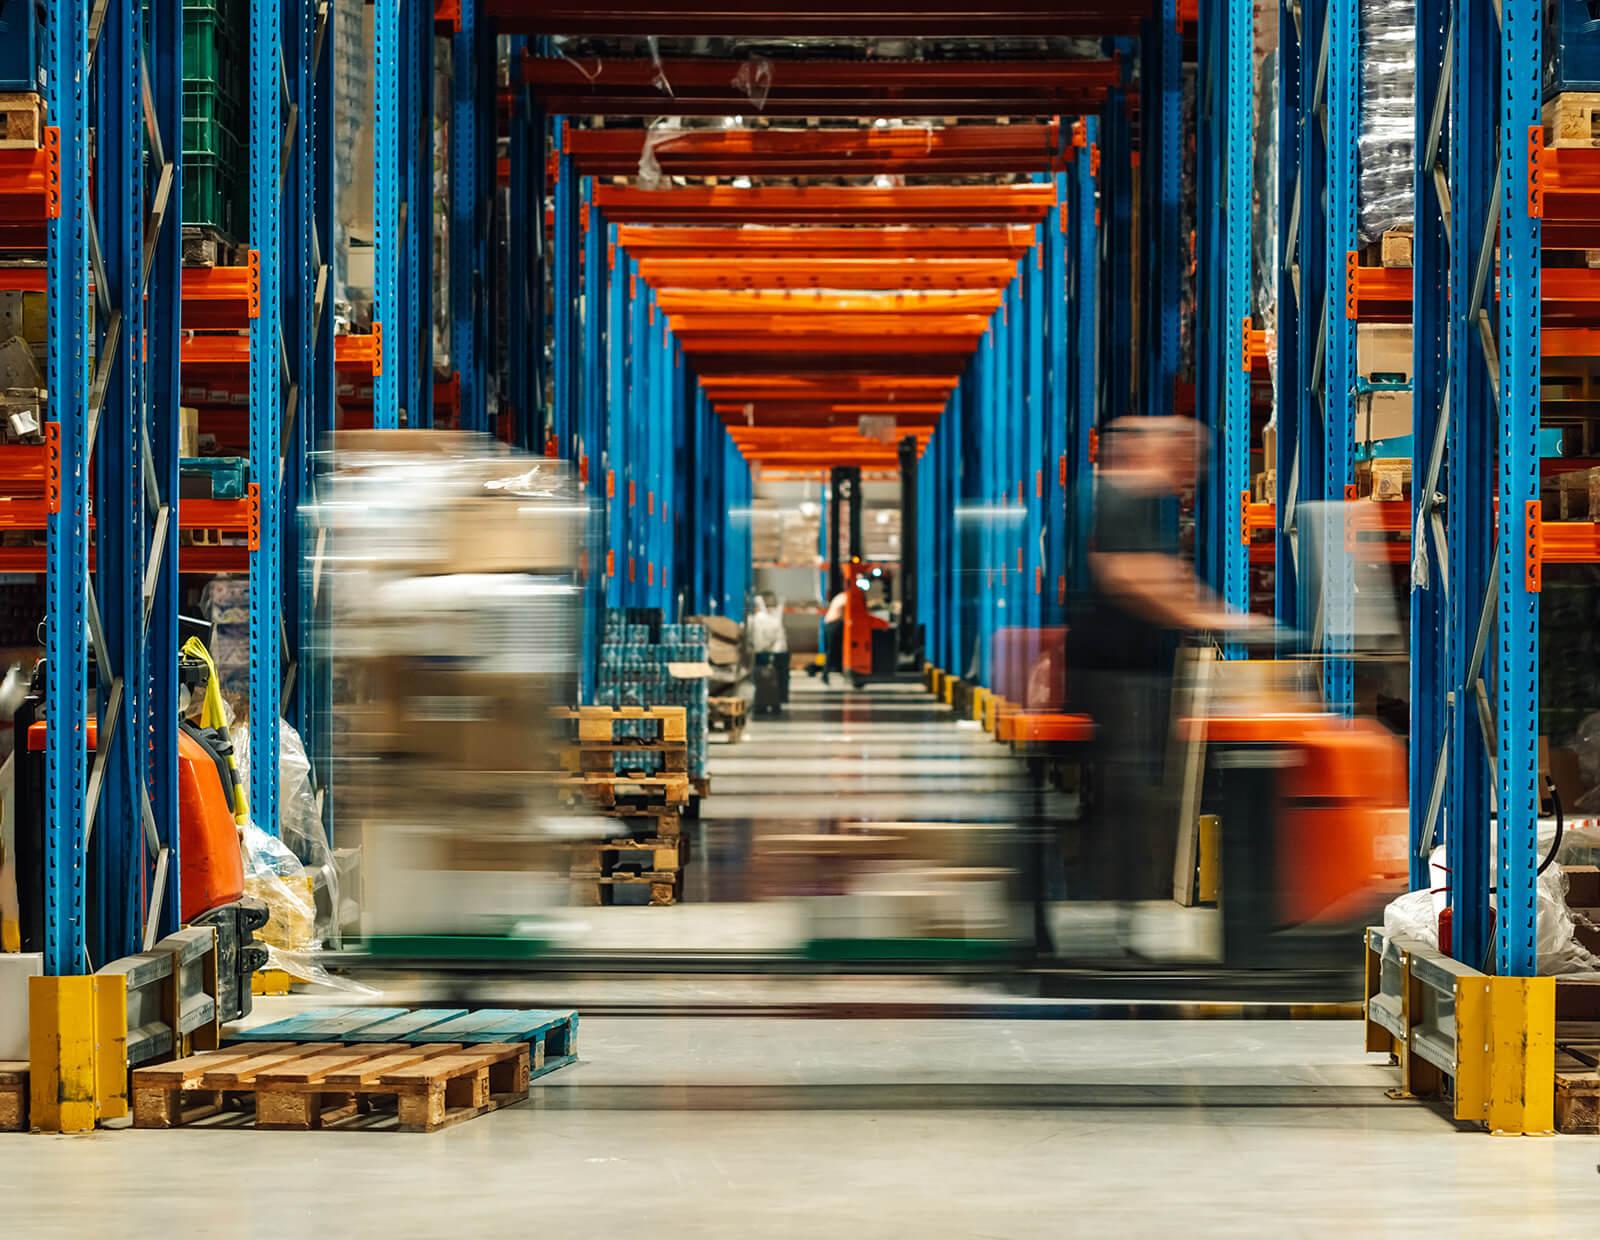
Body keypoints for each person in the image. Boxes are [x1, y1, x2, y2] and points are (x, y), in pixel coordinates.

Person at [1063, 417, 1262, 944]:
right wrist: (1218, 619)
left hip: (1132, 670)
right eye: (1186, 460)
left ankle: (1124, 917)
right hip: (1110, 672)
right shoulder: (1119, 495)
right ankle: (1114, 924)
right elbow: (1132, 576)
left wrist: (1218, 613)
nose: (1190, 474)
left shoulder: (1144, 502)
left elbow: (1166, 576)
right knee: (1127, 792)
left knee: (1138, 792)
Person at [821, 587, 851, 686]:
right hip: (835, 624)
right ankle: (825, 674)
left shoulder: (839, 596)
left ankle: (840, 671)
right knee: (833, 649)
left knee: (834, 649)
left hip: (828, 623)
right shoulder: (846, 597)